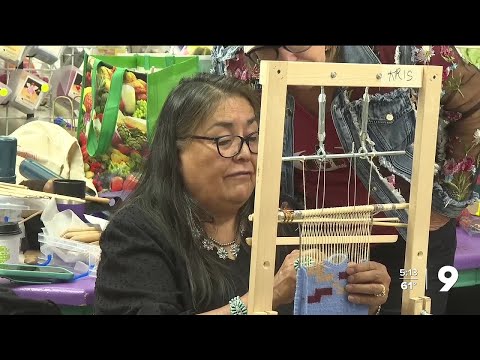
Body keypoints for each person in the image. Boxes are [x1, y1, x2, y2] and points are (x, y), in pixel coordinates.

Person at [94, 73, 391, 315]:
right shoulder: (137, 231)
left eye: (252, 138)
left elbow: (317, 305)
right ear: (176, 150)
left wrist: (359, 298)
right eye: (224, 140)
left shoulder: (281, 217)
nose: (243, 154)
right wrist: (265, 296)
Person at [218, 45, 480, 315]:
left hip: (408, 238)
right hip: (301, 242)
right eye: (267, 49)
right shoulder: (243, 64)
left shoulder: (407, 52)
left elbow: (474, 103)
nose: (286, 59)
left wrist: (446, 202)